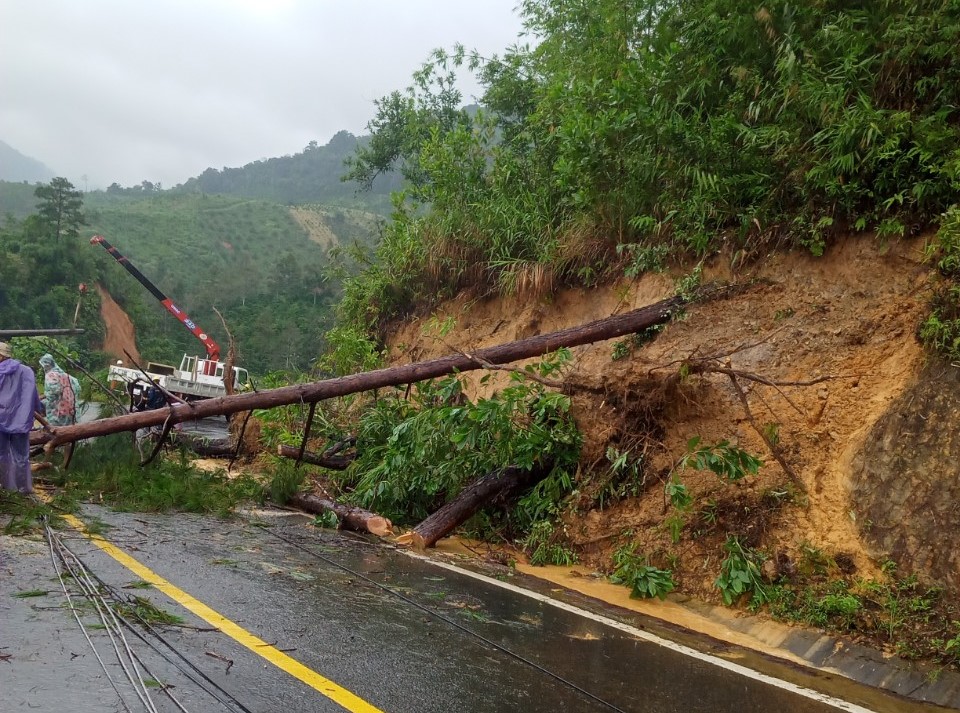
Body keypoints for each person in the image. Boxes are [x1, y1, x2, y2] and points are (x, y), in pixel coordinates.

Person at [0, 341, 45, 493]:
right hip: (21, 421)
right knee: (21, 456)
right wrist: (39, 409)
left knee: (2, 455)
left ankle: (7, 487)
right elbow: (33, 395)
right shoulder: (26, 371)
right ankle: (24, 488)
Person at [39, 353, 80, 427]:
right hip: (70, 408)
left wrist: (43, 397)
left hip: (58, 409)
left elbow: (52, 393)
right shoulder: (64, 374)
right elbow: (77, 388)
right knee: (69, 430)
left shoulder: (50, 375)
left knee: (56, 430)